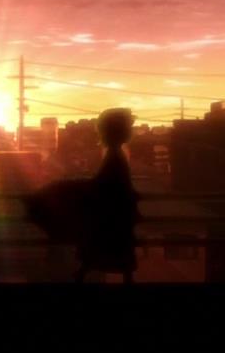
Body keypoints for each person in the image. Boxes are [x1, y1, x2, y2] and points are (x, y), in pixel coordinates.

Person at [24, 107, 140, 283]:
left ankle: (81, 272)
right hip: (117, 215)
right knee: (113, 254)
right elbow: (110, 184)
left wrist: (68, 185)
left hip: (111, 216)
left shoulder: (114, 155)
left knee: (101, 250)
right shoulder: (117, 154)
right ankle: (83, 272)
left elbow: (105, 184)